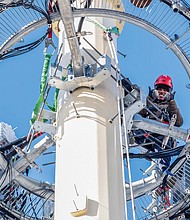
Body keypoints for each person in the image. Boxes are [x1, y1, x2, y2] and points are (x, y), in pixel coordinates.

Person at [132, 74, 183, 172]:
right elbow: (139, 114)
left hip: (161, 138)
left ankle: (164, 173)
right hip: (145, 135)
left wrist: (172, 102)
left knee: (163, 150)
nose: (162, 92)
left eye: (165, 90)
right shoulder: (148, 102)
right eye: (160, 89)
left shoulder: (170, 107)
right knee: (134, 127)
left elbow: (179, 123)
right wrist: (149, 99)